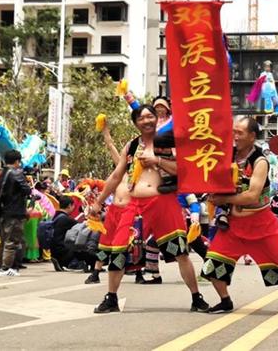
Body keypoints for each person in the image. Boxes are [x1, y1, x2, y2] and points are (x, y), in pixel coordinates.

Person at [202, 117, 278, 316]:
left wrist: (223, 198)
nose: (234, 136)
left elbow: (252, 195)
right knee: (213, 263)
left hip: (261, 225)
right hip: (233, 225)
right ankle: (225, 301)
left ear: (252, 136)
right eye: (233, 131)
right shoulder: (227, 155)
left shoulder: (260, 161)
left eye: (240, 133)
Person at [88, 105, 209, 313]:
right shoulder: (133, 145)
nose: (147, 120)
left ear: (156, 119)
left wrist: (158, 160)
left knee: (180, 252)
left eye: (150, 116)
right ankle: (111, 298)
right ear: (136, 123)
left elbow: (185, 170)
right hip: (134, 205)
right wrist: (99, 201)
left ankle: (196, 297)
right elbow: (117, 176)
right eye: (141, 118)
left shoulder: (171, 144)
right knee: (118, 250)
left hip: (163, 203)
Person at [0, 150, 32, 277]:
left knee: (4, 240)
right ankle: (6, 268)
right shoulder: (16, 174)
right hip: (15, 212)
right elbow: (26, 189)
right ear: (17, 161)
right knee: (12, 240)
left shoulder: (1, 174)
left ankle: (0, 266)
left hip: (4, 211)